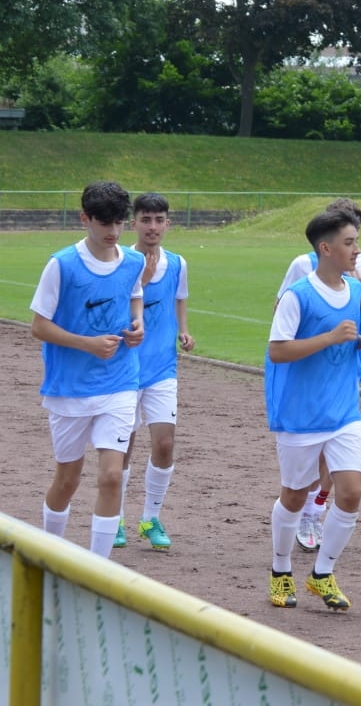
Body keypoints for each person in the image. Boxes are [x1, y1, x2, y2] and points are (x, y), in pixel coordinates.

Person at [264, 207, 361, 611]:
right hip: (300, 414)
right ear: (326, 249)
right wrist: (330, 337)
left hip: (344, 411)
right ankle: (280, 570)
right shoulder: (298, 295)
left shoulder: (356, 290)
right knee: (295, 495)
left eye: (357, 241)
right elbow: (277, 351)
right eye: (349, 242)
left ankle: (322, 573)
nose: (357, 249)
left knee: (351, 491)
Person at [30, 181, 146, 559]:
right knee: (68, 479)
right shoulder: (62, 265)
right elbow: (39, 326)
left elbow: (134, 295)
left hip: (120, 380)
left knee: (111, 476)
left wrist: (138, 323)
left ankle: (99, 571)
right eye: (104, 223)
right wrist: (87, 344)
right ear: (85, 219)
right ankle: (50, 556)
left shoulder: (133, 261)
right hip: (70, 387)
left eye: (119, 222)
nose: (113, 231)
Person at [116, 193, 194, 551]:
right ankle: (115, 518)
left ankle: (150, 518)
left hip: (163, 368)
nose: (152, 227)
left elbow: (179, 298)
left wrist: (183, 330)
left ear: (168, 224)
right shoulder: (122, 262)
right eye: (145, 219)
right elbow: (115, 309)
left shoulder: (177, 263)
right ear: (134, 223)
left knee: (164, 444)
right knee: (123, 446)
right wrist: (142, 281)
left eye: (159, 220)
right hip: (126, 369)